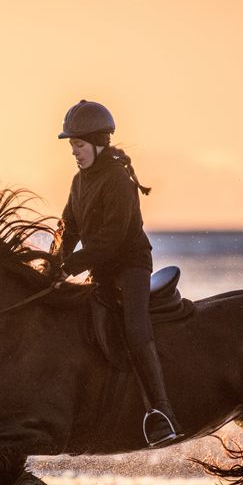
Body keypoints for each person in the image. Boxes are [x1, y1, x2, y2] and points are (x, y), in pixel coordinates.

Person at [53, 99, 179, 447]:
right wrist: (53, 261)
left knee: (134, 327)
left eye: (78, 145)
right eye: (72, 147)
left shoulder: (118, 180)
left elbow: (111, 240)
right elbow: (69, 226)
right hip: (101, 268)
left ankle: (162, 412)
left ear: (97, 142)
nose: (74, 153)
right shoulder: (79, 181)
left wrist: (71, 265)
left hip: (130, 266)